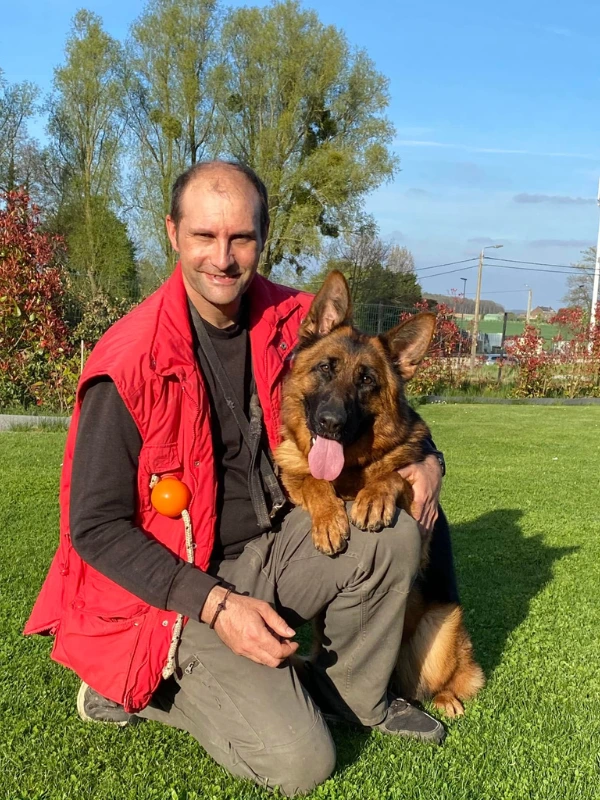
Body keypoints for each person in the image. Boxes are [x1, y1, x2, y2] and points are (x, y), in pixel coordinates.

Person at [25, 161, 458, 797]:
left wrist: (430, 462)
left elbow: (383, 398)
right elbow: (93, 527)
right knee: (302, 763)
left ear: (262, 238)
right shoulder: (130, 361)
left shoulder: (293, 319)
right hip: (173, 592)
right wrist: (216, 604)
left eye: (241, 239)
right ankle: (128, 685)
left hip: (267, 547)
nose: (223, 259)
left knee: (389, 532)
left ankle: (348, 696)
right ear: (173, 233)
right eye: (205, 235)